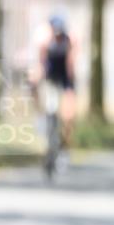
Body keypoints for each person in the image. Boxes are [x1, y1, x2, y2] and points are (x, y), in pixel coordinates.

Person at [33, 14, 78, 148]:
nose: (57, 37)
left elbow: (70, 64)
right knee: (34, 85)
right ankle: (40, 116)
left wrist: (70, 87)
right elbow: (41, 62)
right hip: (50, 74)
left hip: (64, 75)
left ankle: (66, 138)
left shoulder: (69, 40)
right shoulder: (45, 42)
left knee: (69, 110)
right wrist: (38, 78)